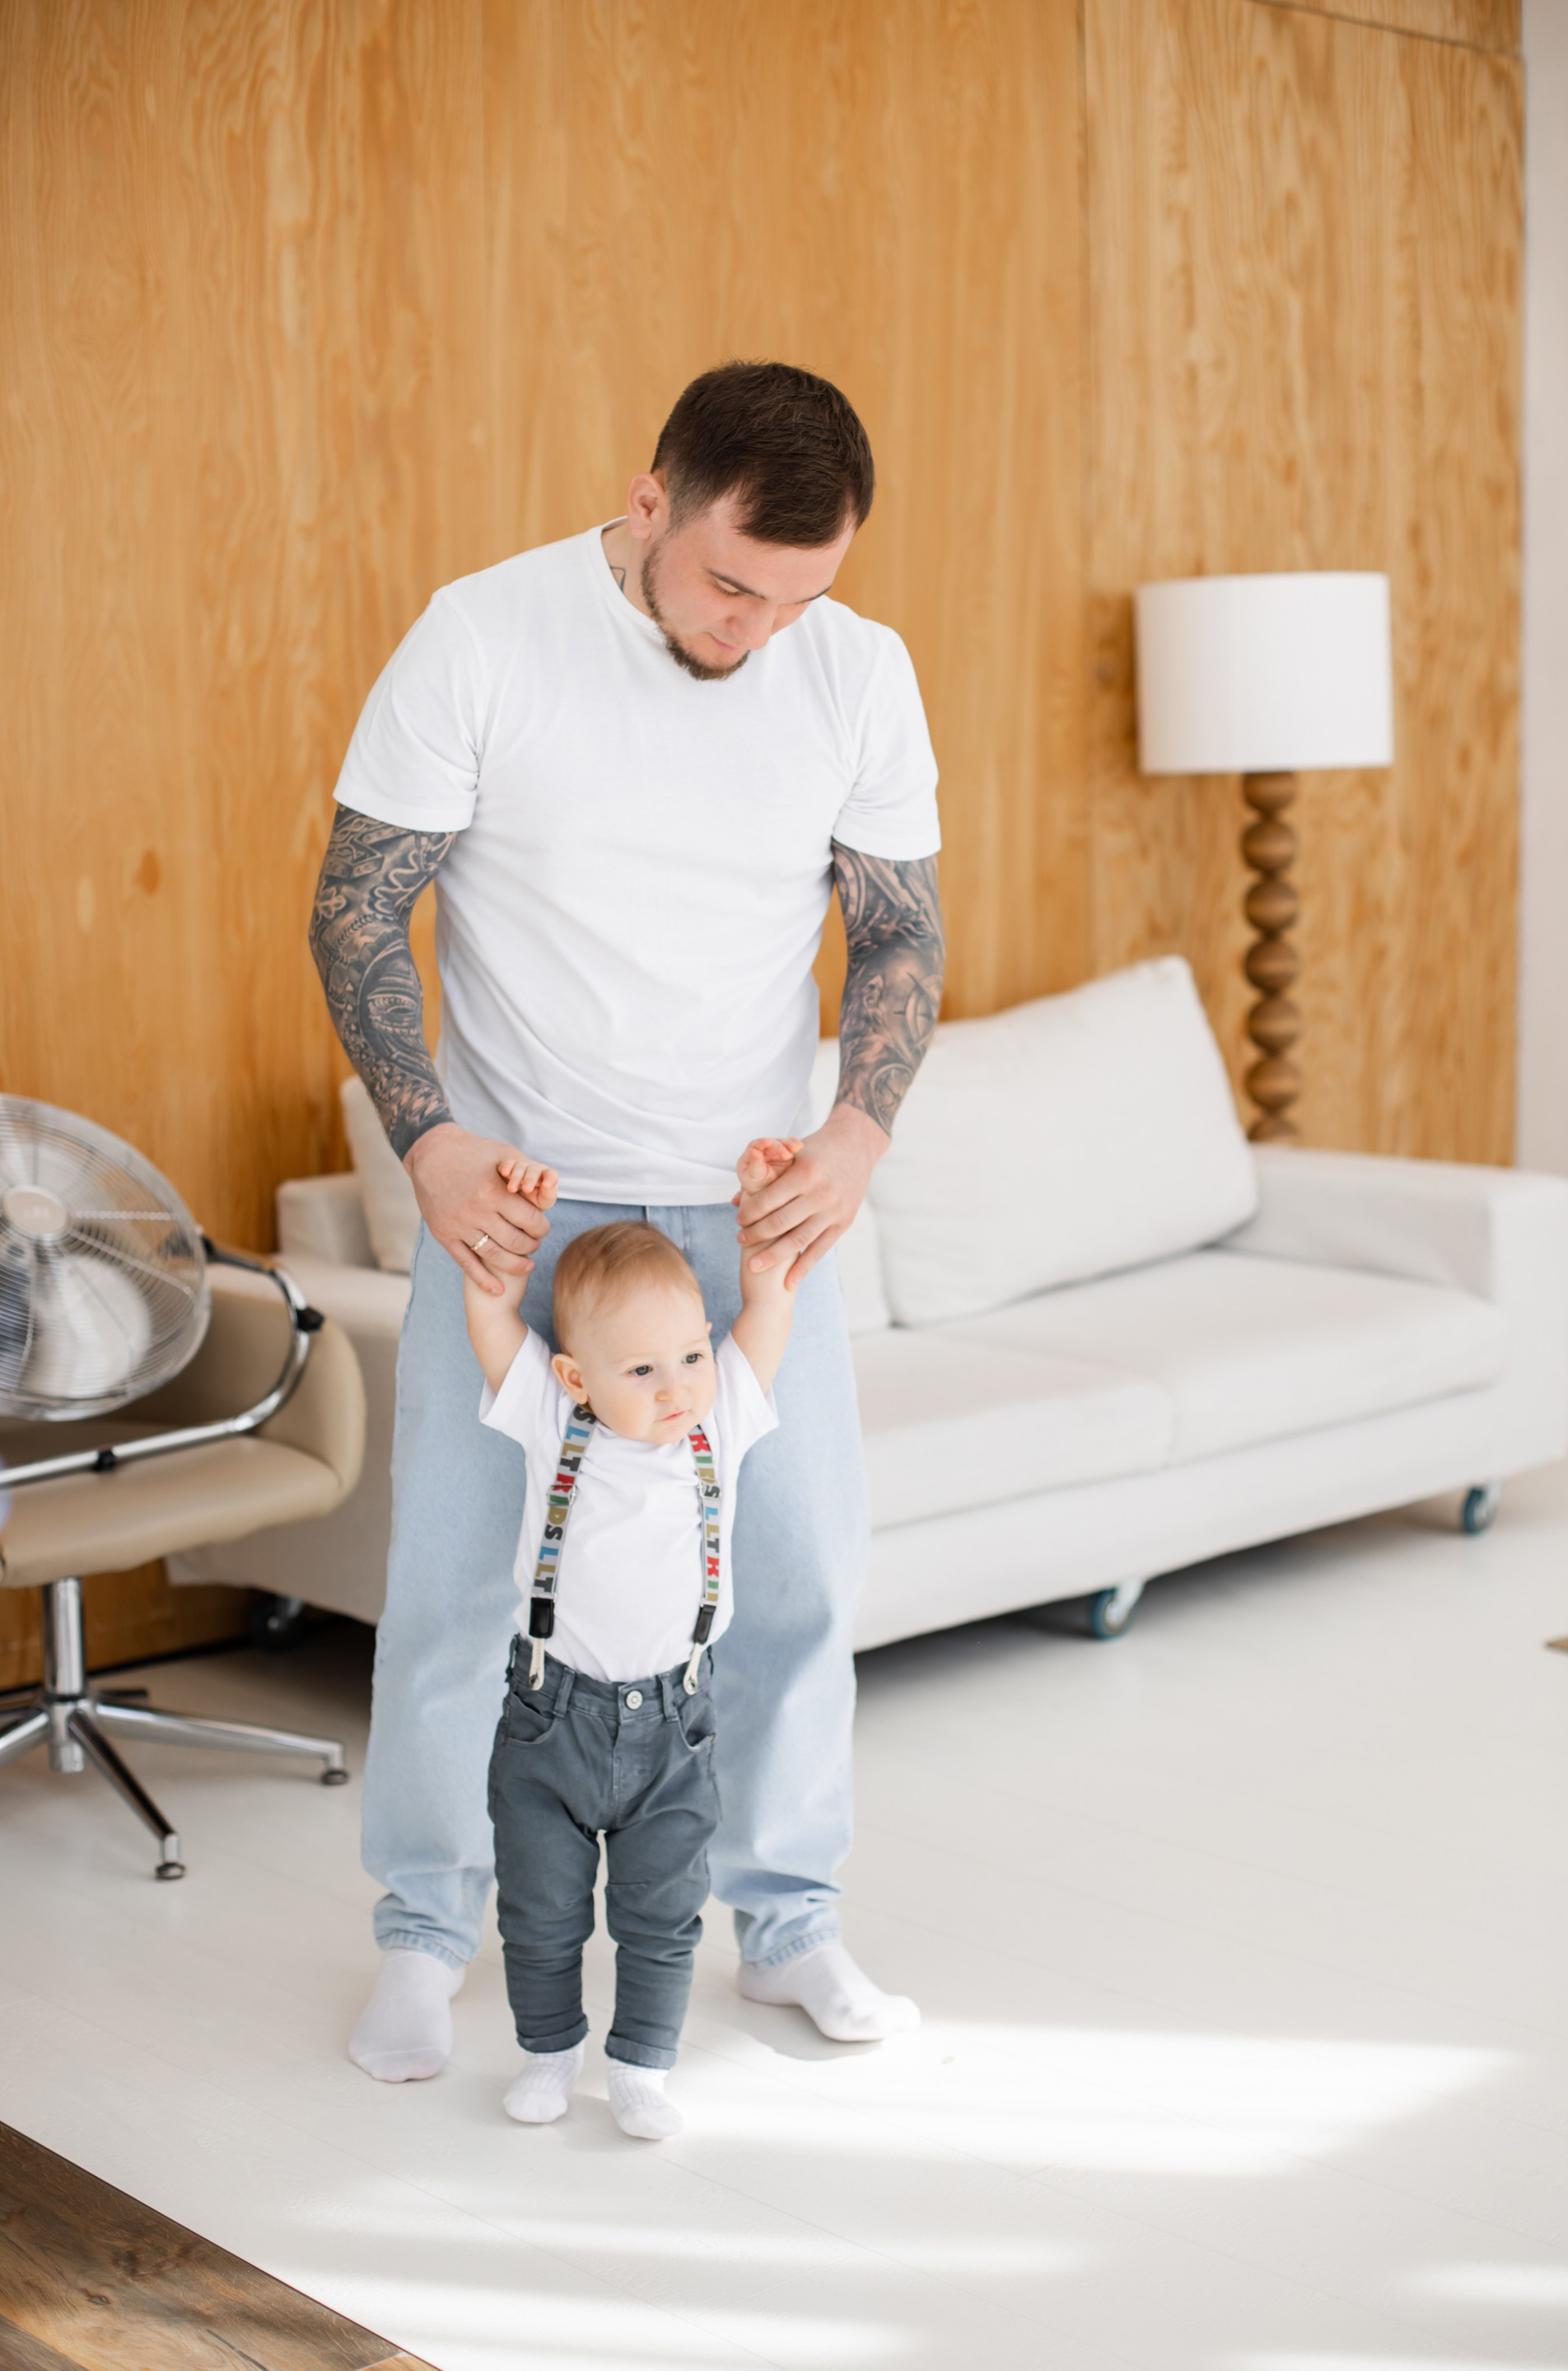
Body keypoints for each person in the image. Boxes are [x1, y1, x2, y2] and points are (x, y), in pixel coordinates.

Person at [309, 359, 945, 2083]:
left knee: (794, 1576)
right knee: (462, 1585)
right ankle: (425, 1928)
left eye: (797, 596)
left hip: (756, 1205)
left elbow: (898, 929)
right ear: (650, 499)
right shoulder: (483, 636)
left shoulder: (856, 667)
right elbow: (359, 904)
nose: (758, 629)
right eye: (731, 583)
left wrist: (860, 1128)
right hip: (524, 1205)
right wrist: (429, 1139)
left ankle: (788, 1916)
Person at [469, 1142, 800, 2137]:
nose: (677, 1387)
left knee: (663, 1914)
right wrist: (501, 1252)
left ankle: (642, 2065)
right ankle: (547, 2052)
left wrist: (763, 1257)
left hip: (675, 1726)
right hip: (550, 1720)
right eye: (643, 1369)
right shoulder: (551, 1416)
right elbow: (493, 1318)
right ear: (576, 1375)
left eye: (692, 1355)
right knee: (540, 1909)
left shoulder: (718, 1421)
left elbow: (766, 1314)